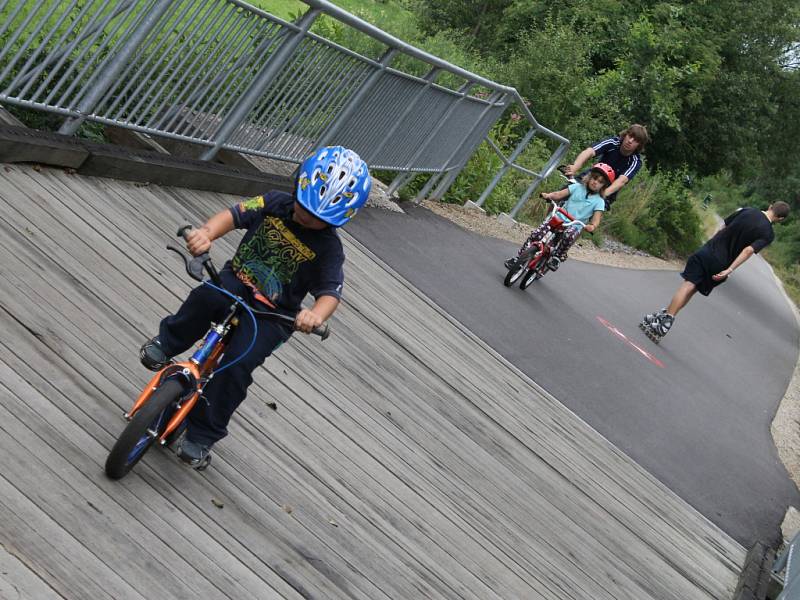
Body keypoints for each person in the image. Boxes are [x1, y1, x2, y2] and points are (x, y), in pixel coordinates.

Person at [139, 146, 372, 468]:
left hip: (274, 315)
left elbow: (331, 291)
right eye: (305, 208)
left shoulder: (329, 249)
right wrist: (206, 234)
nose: (308, 218)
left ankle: (202, 435)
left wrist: (314, 315)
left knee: (237, 366)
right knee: (206, 297)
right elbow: (234, 215)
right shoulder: (274, 202)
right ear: (297, 187)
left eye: (320, 219)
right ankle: (168, 342)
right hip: (237, 280)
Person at [640, 201, 791, 342]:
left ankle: (666, 320)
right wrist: (729, 269)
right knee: (693, 288)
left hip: (709, 251)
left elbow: (723, 226)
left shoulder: (747, 211)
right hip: (722, 263)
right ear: (781, 218)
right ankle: (664, 315)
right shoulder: (768, 234)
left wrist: (710, 244)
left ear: (771, 206)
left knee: (688, 284)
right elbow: (748, 251)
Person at [504, 163, 615, 272]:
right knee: (536, 235)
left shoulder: (599, 201)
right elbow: (558, 195)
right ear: (589, 177)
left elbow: (596, 220)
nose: (596, 182)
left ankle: (557, 256)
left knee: (569, 235)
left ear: (603, 186)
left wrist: (591, 226)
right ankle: (518, 259)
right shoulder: (577, 187)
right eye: (594, 178)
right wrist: (548, 195)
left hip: (574, 225)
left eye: (600, 182)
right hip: (559, 217)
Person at [564, 124, 650, 209]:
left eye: (635, 140)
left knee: (589, 212)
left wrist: (602, 195)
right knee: (562, 193)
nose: (630, 141)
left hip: (608, 189)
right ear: (625, 135)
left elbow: (621, 181)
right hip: (592, 176)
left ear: (639, 145)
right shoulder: (612, 142)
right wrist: (575, 166)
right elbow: (590, 151)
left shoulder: (635, 161)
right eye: (630, 136)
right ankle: (550, 216)